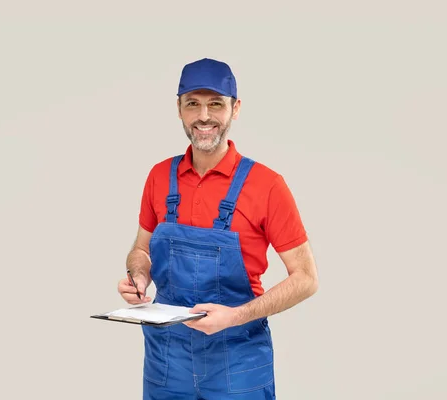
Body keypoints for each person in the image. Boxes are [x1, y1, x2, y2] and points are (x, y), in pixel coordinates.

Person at [117, 58, 319, 400]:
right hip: (167, 360)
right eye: (192, 104)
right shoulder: (158, 177)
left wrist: (235, 316)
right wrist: (138, 277)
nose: (204, 116)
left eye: (216, 104)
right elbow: (141, 250)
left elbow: (306, 278)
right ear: (178, 109)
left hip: (237, 359)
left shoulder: (267, 185)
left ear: (235, 108)